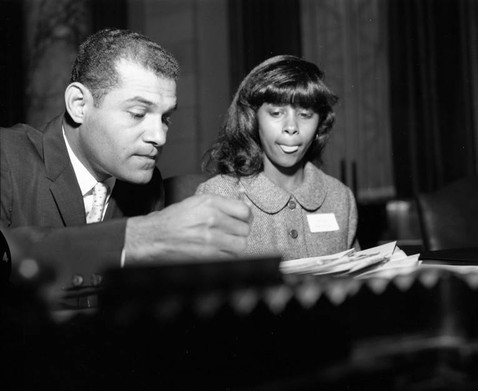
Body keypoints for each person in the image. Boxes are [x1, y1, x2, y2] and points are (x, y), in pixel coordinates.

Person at [0, 28, 251, 291]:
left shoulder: (146, 185)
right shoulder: (7, 155)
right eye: (137, 113)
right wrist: (137, 238)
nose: (159, 137)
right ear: (79, 104)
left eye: (165, 118)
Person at [196, 55, 358, 261]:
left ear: (320, 124)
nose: (291, 128)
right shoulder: (218, 196)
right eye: (276, 113)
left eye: (305, 115)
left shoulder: (341, 198)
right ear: (253, 120)